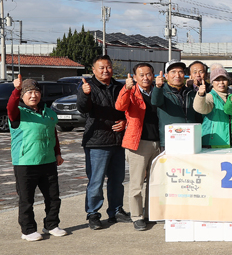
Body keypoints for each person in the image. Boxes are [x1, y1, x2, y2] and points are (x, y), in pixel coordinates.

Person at [8, 76, 67, 241]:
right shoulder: (17, 113)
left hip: (48, 161)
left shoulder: (48, 113)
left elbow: (53, 133)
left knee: (53, 197)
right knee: (26, 199)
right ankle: (27, 230)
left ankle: (51, 225)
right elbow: (10, 106)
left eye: (36, 92)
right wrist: (16, 90)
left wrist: (58, 154)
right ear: (22, 96)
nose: (33, 95)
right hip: (25, 163)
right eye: (28, 92)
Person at [76, 55, 128, 230]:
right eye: (101, 68)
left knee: (117, 180)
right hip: (97, 142)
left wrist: (125, 122)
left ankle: (116, 211)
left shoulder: (119, 87)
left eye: (108, 67)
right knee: (96, 181)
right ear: (93, 70)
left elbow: (127, 110)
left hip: (118, 141)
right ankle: (93, 214)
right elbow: (83, 109)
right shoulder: (87, 87)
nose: (106, 70)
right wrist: (85, 94)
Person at [115, 63, 161, 231]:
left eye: (148, 74)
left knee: (155, 182)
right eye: (141, 75)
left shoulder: (157, 91)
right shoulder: (131, 91)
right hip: (138, 143)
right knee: (137, 183)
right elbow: (119, 106)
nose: (145, 78)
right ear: (134, 77)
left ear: (153, 75)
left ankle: (150, 213)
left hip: (158, 142)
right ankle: (137, 216)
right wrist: (126, 89)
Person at [151, 60, 202, 148]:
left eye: (180, 72)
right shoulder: (162, 91)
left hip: (191, 139)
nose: (177, 75)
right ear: (166, 76)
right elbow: (155, 102)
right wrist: (158, 87)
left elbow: (198, 114)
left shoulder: (190, 92)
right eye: (173, 72)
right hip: (171, 139)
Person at [193, 64, 232, 148]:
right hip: (212, 141)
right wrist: (200, 94)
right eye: (217, 80)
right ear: (212, 82)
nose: (221, 82)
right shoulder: (210, 96)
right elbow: (200, 108)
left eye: (224, 79)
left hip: (229, 141)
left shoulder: (231, 96)